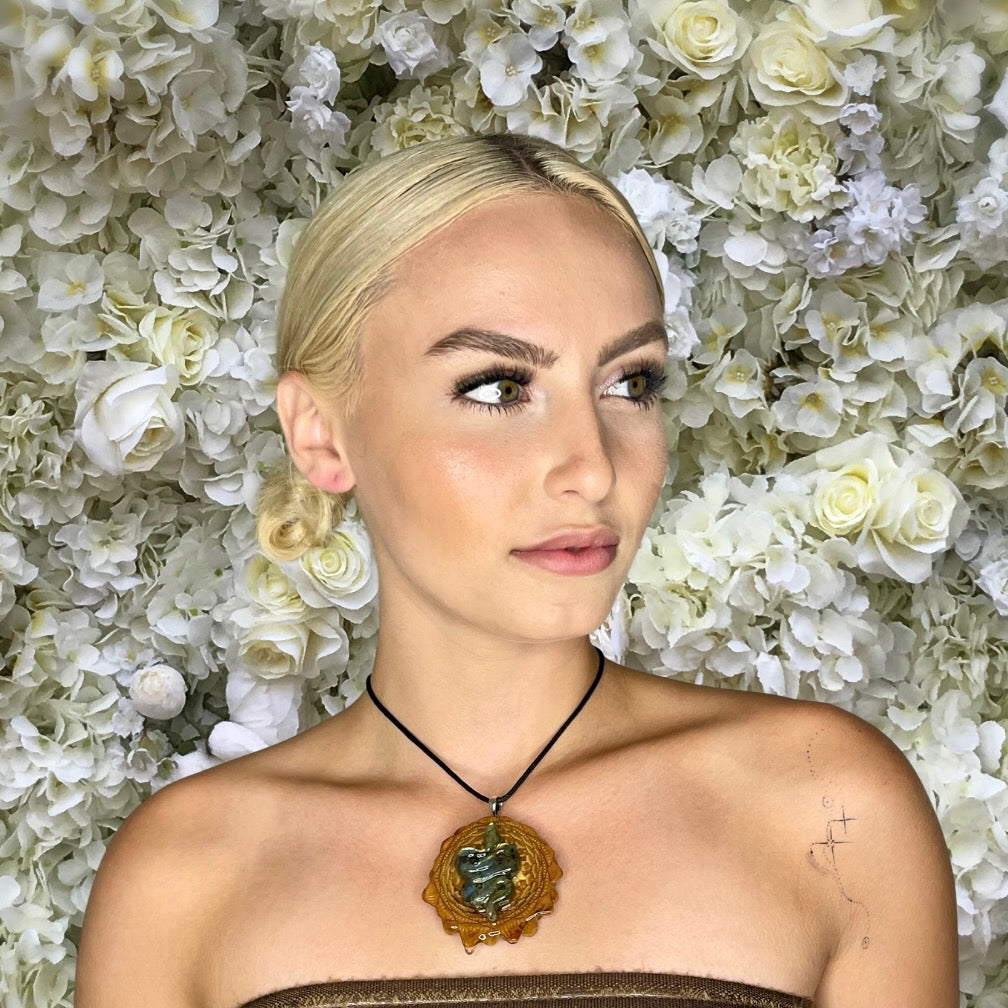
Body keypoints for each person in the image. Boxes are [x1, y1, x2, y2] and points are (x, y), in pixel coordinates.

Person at [74, 132, 958, 1008]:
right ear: (319, 433)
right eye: (498, 386)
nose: (593, 468)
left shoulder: (827, 810)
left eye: (630, 384)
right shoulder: (185, 877)